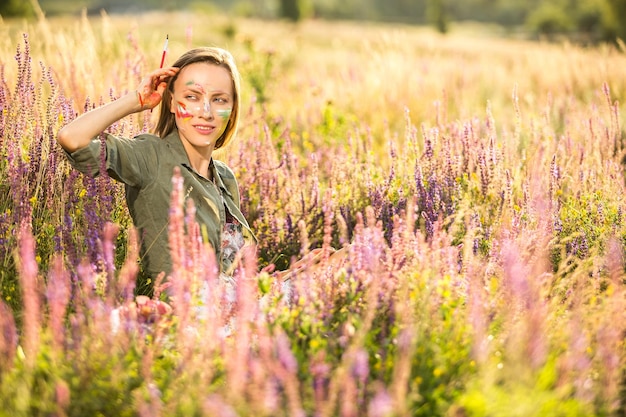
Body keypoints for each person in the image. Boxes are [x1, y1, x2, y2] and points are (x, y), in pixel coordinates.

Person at [57, 47, 255, 297]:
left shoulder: (224, 177)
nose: (206, 112)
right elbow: (72, 139)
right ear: (171, 102)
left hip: (224, 312)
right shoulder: (151, 156)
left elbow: (229, 270)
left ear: (232, 108)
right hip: (178, 318)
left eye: (219, 100)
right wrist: (134, 101)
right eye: (192, 97)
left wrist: (275, 279)